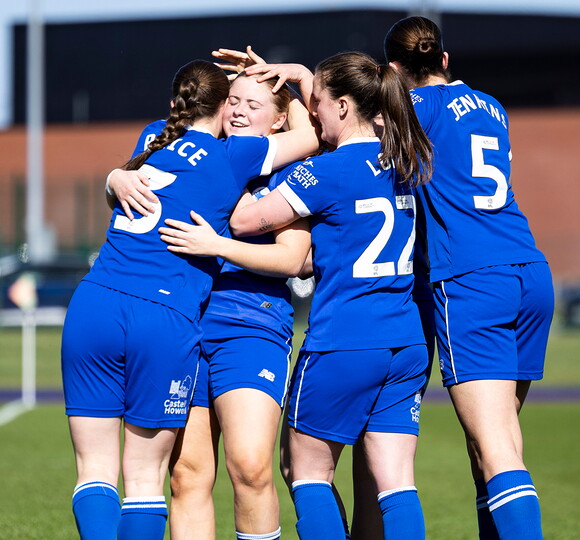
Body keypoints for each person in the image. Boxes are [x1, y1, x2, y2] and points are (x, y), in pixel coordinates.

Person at [165, 51, 433, 539]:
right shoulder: (402, 161)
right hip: (404, 336)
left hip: (344, 337)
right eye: (233, 101)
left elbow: (252, 225)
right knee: (396, 484)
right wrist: (305, 78)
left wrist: (221, 181)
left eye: (320, 102)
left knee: (304, 472)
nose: (314, 112)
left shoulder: (323, 171)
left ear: (342, 106)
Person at [63, 59, 317, 540]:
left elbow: (295, 258)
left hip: (240, 321)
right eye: (234, 100)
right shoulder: (217, 150)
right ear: (218, 105)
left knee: (248, 467)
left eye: (253, 103)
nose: (239, 111)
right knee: (176, 475)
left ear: (279, 117)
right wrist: (115, 178)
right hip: (177, 320)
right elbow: (309, 136)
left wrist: (216, 244)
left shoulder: (282, 166)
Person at [383, 16, 554, 540]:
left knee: (495, 447)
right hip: (529, 269)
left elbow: (354, 131)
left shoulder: (415, 107)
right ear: (444, 59)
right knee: (495, 445)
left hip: (472, 278)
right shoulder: (491, 105)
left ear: (395, 71)